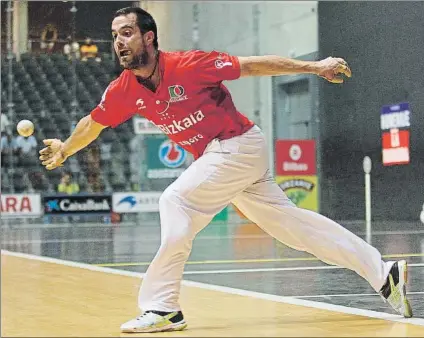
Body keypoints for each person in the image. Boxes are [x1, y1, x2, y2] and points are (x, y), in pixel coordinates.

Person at [38, 6, 413, 333]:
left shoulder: (190, 64)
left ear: (148, 37)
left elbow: (252, 65)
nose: (118, 42)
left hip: (238, 144)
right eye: (114, 36)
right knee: (295, 228)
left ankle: (162, 307)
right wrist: (66, 148)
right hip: (225, 159)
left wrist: (313, 66)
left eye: (127, 33)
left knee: (176, 201)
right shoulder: (123, 89)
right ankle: (384, 273)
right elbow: (94, 122)